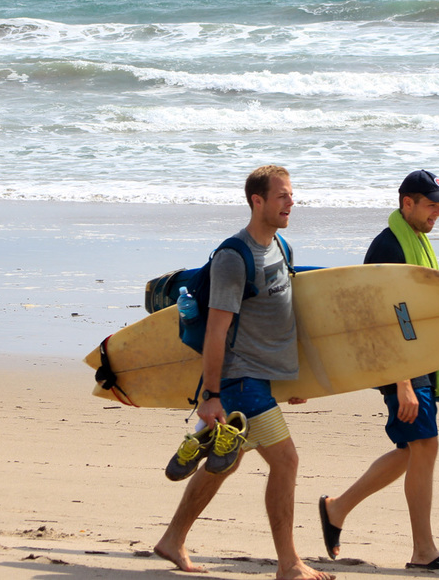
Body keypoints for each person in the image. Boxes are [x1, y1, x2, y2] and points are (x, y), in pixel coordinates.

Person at [154, 166, 334, 580]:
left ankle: (172, 539)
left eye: (291, 195)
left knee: (228, 464)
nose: (291, 203)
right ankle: (289, 564)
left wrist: (294, 378)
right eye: (282, 196)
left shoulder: (281, 246)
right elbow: (217, 332)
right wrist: (212, 395)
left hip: (263, 377)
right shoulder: (234, 258)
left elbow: (280, 319)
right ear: (258, 201)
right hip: (238, 379)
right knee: (286, 461)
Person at [318, 170, 439, 574]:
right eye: (431, 204)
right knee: (425, 446)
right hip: (397, 361)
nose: (438, 211)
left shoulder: (415, 240)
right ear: (407, 203)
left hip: (414, 359)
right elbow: (379, 318)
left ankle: (337, 509)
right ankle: (424, 550)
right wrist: (402, 381)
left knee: (410, 451)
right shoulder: (389, 246)